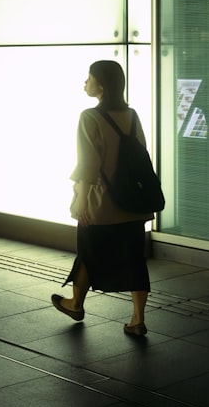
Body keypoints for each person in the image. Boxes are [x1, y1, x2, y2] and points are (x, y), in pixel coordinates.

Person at [51, 60, 153, 336]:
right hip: (131, 204)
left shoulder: (90, 117)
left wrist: (82, 201)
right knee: (134, 259)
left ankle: (75, 303)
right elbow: (141, 155)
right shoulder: (131, 115)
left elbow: (88, 164)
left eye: (89, 78)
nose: (85, 83)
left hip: (101, 203)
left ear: (102, 85)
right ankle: (137, 319)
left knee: (88, 253)